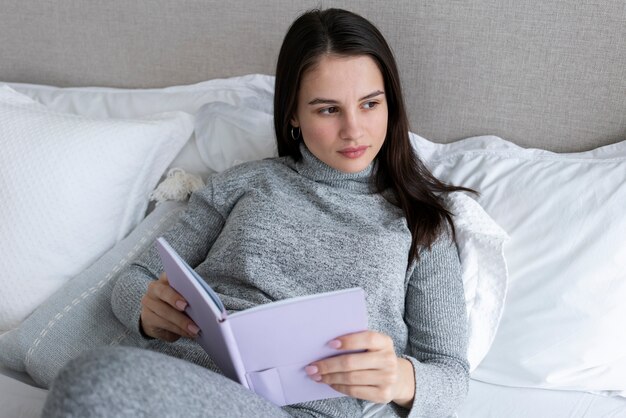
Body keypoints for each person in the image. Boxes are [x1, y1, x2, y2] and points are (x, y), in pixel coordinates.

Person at [43, 8, 469, 418]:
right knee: (90, 383)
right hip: (182, 378)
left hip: (307, 409)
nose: (354, 129)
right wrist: (146, 309)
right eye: (328, 109)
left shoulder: (420, 225)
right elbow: (137, 278)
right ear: (293, 115)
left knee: (91, 382)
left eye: (370, 104)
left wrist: (398, 378)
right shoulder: (243, 183)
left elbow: (451, 376)